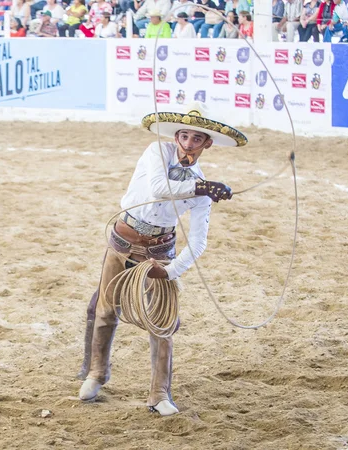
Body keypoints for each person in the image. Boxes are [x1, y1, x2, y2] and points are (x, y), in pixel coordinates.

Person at [78, 103, 246, 416]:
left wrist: (170, 271)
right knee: (105, 309)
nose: (188, 143)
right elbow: (158, 187)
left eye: (197, 139)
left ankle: (159, 394)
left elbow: (198, 242)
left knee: (163, 321)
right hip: (123, 240)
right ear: (176, 136)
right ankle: (96, 374)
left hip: (160, 250)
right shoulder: (156, 152)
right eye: (184, 136)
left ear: (206, 144)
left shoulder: (202, 188)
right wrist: (202, 187)